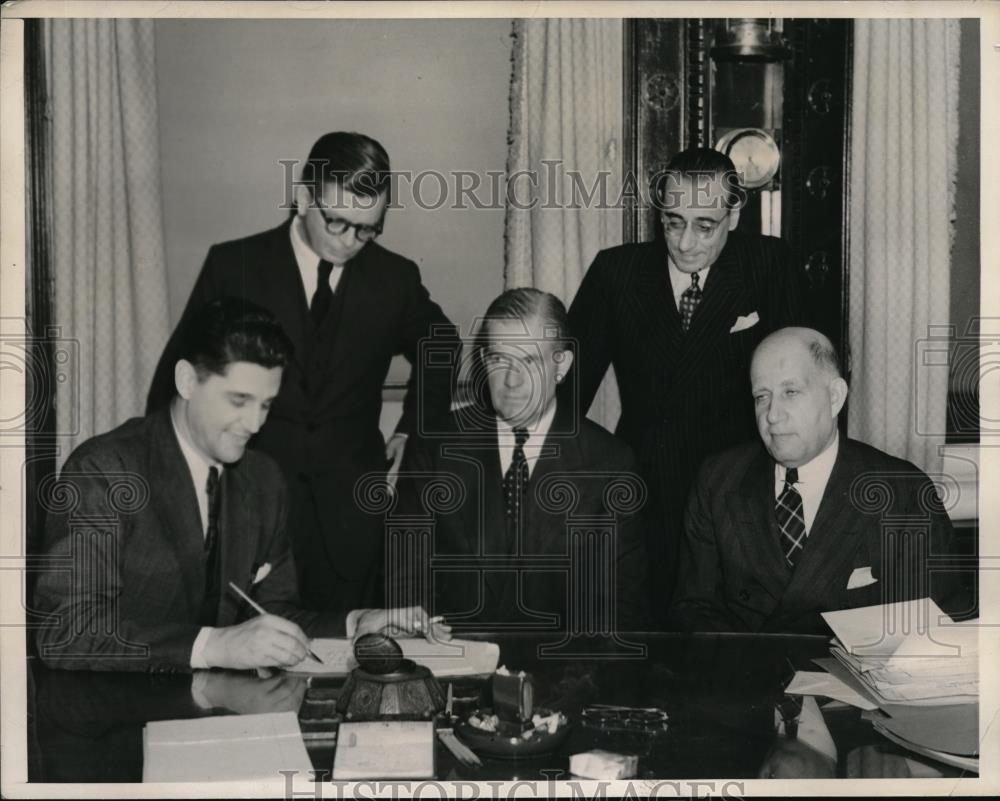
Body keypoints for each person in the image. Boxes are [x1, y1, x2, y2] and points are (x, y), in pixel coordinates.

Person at [34, 298, 448, 673]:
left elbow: (272, 615)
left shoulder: (263, 480)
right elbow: (66, 630)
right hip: (115, 725)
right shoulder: (103, 470)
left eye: (266, 404)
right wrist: (214, 646)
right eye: (238, 401)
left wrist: (356, 622)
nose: (255, 424)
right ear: (187, 381)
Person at [146, 132, 461, 614]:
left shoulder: (393, 278)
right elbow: (177, 380)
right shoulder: (236, 265)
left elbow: (440, 343)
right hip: (249, 513)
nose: (352, 241)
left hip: (353, 522)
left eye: (369, 228)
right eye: (338, 222)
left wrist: (414, 427)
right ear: (303, 198)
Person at [567, 147, 808, 623]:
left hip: (739, 493)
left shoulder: (770, 264)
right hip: (644, 485)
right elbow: (567, 393)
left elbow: (806, 384)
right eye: (673, 222)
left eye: (705, 225)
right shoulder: (617, 272)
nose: (686, 243)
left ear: (734, 215)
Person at [668, 327, 971, 634]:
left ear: (835, 397)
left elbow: (936, 625)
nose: (772, 415)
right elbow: (694, 611)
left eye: (790, 392)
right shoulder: (718, 481)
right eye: (762, 396)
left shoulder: (903, 492)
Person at [392, 288, 646, 634]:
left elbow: (619, 608)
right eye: (498, 359)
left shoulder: (610, 463)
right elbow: (407, 582)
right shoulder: (435, 447)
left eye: (528, 360)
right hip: (451, 665)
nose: (511, 381)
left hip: (563, 675)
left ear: (562, 365)